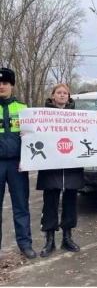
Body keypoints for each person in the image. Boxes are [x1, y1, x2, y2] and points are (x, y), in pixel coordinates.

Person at [36, 83, 84, 257]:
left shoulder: (78, 116)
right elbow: (34, 133)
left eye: (65, 93)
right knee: (50, 202)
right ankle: (49, 240)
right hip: (51, 166)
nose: (62, 95)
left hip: (71, 165)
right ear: (53, 95)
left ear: (69, 97)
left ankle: (67, 237)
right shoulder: (42, 115)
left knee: (70, 201)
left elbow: (87, 133)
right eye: (59, 92)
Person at [0, 67, 36, 259]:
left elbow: (34, 137)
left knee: (21, 206)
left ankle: (25, 244)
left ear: (11, 85)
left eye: (5, 83)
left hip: (18, 165)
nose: (1, 86)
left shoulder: (22, 109)